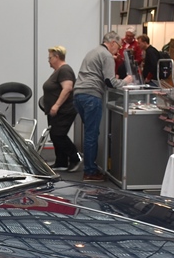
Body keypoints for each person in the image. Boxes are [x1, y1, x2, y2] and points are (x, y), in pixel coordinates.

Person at [73, 31, 132, 181]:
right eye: (118, 46)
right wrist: (126, 81)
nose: (118, 50)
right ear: (112, 42)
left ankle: (90, 167)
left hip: (79, 94)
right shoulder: (106, 55)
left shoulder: (93, 52)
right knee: (92, 135)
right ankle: (90, 171)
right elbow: (110, 82)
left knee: (89, 133)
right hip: (91, 95)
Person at [41, 46, 81, 172]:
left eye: (50, 58)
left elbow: (67, 88)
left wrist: (56, 105)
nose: (48, 60)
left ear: (57, 57)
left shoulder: (65, 70)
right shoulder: (58, 71)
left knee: (58, 135)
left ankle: (75, 158)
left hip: (64, 110)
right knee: (54, 135)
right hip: (56, 111)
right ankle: (61, 161)